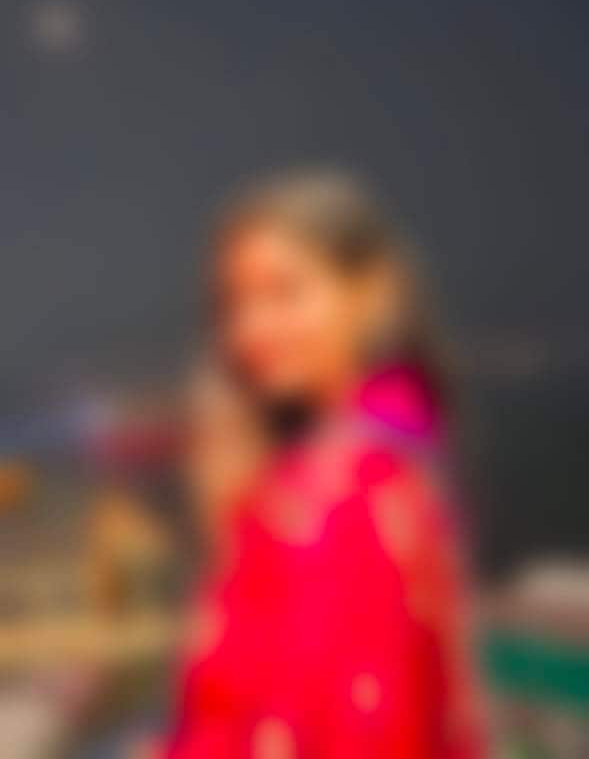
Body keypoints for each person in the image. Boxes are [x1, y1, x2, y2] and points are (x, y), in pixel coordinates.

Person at [163, 169, 485, 758]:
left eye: (284, 293)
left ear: (370, 293)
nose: (251, 329)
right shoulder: (401, 459)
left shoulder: (330, 497)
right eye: (235, 303)